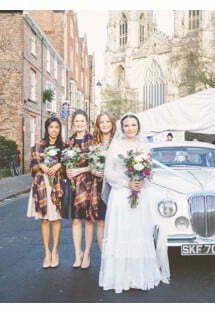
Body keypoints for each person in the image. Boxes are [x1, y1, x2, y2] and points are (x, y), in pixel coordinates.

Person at [99, 113, 170, 293]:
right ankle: (121, 276)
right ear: (122, 128)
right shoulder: (116, 145)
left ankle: (139, 275)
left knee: (138, 231)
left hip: (140, 194)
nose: (130, 128)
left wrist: (141, 181)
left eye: (133, 125)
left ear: (138, 127)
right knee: (122, 232)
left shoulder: (144, 145)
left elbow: (149, 169)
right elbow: (109, 172)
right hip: (121, 195)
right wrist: (126, 183)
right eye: (127, 125)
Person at [26, 117, 65, 269]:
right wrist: (41, 166)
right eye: (51, 127)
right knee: (44, 220)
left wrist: (59, 166)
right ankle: (47, 253)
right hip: (42, 185)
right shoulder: (38, 146)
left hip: (57, 186)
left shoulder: (64, 146)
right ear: (46, 128)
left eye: (56, 127)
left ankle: (55, 251)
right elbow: (32, 169)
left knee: (55, 220)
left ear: (59, 129)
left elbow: (68, 168)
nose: (54, 130)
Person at [62, 110, 96, 269]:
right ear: (73, 123)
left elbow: (97, 165)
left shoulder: (93, 140)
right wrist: (67, 170)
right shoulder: (68, 142)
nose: (79, 124)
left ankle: (87, 253)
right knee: (76, 220)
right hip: (73, 185)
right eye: (77, 121)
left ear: (87, 123)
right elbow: (64, 163)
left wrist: (79, 170)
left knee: (88, 220)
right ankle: (78, 254)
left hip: (89, 184)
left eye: (82, 121)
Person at [90, 112, 116, 253]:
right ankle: (104, 255)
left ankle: (115, 253)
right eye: (102, 122)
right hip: (99, 185)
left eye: (107, 122)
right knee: (101, 221)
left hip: (115, 186)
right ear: (98, 125)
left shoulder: (118, 141)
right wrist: (93, 170)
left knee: (115, 221)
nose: (105, 125)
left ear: (112, 124)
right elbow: (90, 163)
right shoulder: (95, 143)